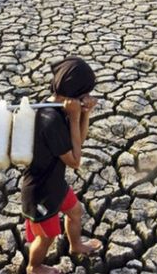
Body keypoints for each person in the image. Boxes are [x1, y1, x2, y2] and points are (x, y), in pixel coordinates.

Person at [22, 56, 102, 274]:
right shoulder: (50, 119)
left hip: (55, 184)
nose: (87, 96)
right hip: (40, 192)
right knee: (46, 237)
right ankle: (34, 266)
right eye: (84, 92)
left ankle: (76, 245)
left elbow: (78, 142)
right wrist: (75, 118)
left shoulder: (60, 108)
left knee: (75, 212)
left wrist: (84, 114)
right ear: (75, 90)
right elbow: (75, 161)